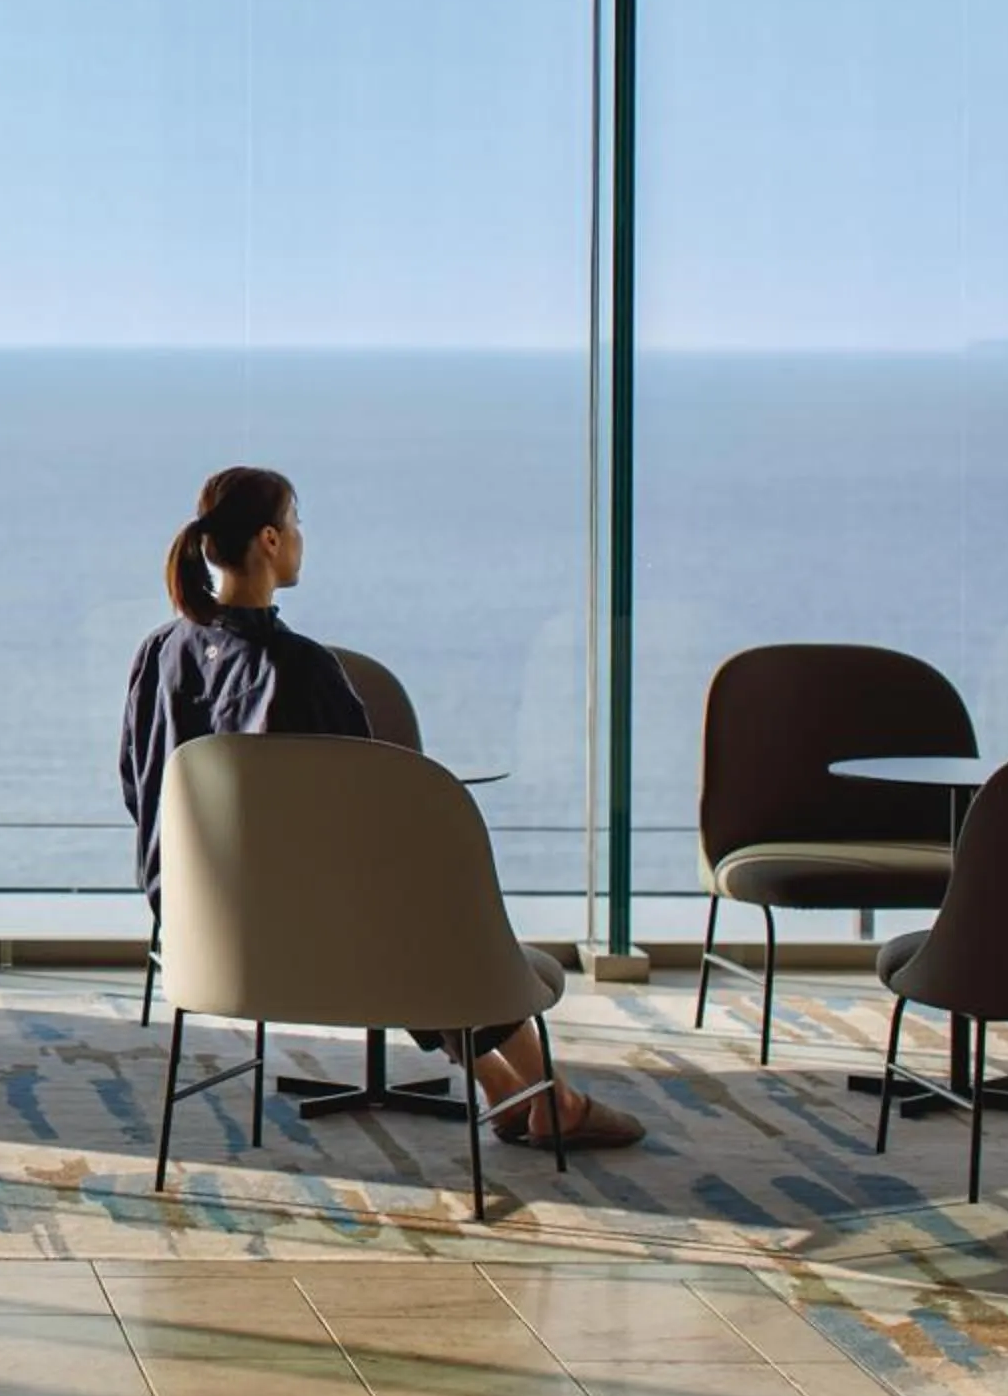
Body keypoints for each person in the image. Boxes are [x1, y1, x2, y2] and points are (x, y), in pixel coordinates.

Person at [120, 465, 642, 1150]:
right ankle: (556, 1100)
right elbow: (366, 813)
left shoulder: (160, 653)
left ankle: (507, 1088)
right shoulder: (301, 668)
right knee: (427, 930)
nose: (303, 537)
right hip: (316, 941)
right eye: (297, 522)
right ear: (272, 540)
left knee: (407, 926)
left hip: (200, 928)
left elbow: (140, 787)